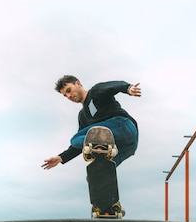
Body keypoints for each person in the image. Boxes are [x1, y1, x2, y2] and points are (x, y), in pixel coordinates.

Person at [41, 75, 141, 213]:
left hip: (123, 128)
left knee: (76, 139)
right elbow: (81, 144)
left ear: (78, 84)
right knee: (96, 173)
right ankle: (109, 207)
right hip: (125, 148)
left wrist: (128, 88)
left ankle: (102, 142)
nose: (69, 96)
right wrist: (61, 157)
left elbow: (114, 85)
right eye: (65, 95)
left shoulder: (96, 92)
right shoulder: (83, 116)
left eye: (69, 90)